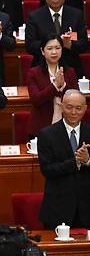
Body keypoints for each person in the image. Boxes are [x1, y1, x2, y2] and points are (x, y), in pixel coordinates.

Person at [38, 90, 90, 229]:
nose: (73, 112)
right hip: (57, 208)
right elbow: (47, 170)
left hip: (87, 208)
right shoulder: (47, 135)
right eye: (69, 107)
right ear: (61, 106)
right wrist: (76, 162)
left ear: (85, 109)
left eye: (78, 108)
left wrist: (88, 161)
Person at [25, 0, 88, 79]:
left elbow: (84, 44)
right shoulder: (34, 17)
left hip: (71, 67)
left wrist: (70, 45)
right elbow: (30, 46)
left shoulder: (76, 15)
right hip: (43, 69)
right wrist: (50, 45)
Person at [26, 34, 79, 138]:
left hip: (67, 125)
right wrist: (54, 86)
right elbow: (36, 100)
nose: (54, 52)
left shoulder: (70, 72)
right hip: (41, 126)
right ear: (42, 51)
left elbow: (75, 100)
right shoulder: (33, 73)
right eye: (49, 48)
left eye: (58, 48)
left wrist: (63, 87)